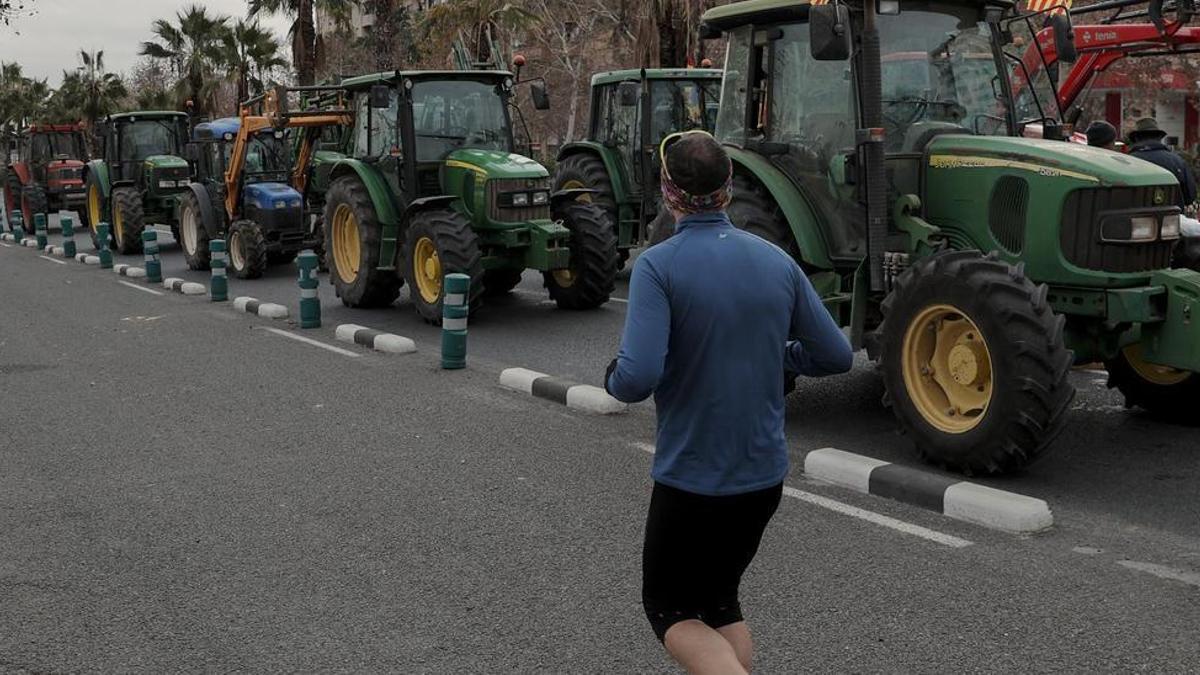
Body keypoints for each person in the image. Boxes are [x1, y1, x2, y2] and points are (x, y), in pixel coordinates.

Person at [604, 130, 854, 675]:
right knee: (718, 605)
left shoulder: (658, 265)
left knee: (669, 608)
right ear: (729, 187)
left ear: (668, 192)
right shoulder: (776, 261)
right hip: (762, 478)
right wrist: (783, 356)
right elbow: (836, 354)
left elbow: (638, 375)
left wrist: (612, 380)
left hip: (694, 479)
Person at [1127, 117, 1197, 209]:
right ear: (1159, 138)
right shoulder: (1177, 161)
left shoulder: (1128, 161)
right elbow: (1190, 196)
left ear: (1136, 138)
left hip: (1136, 218)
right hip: (1172, 218)